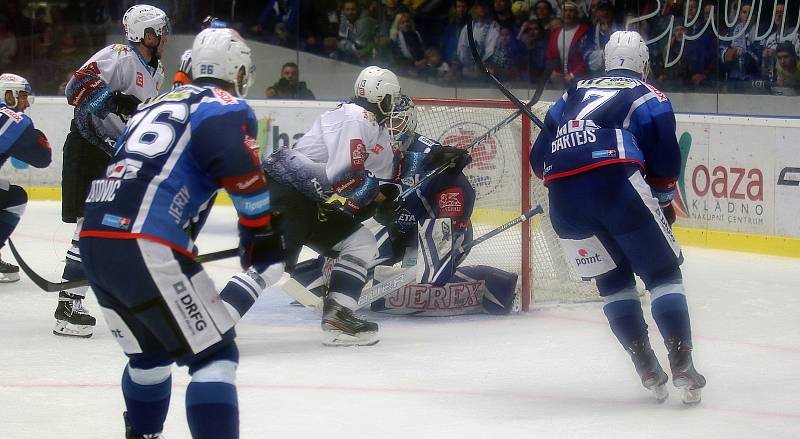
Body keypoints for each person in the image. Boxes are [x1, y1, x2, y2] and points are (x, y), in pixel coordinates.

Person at [79, 27, 283, 439]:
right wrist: (258, 231)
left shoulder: (156, 104)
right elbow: (234, 160)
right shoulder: (224, 104)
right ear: (238, 70)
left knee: (147, 354)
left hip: (96, 235)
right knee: (214, 353)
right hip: (146, 239)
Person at [530, 31, 707, 404]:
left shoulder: (571, 93)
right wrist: (660, 203)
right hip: (616, 187)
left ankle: (646, 366)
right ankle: (681, 365)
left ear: (606, 60)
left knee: (613, 284)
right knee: (662, 275)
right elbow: (664, 159)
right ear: (643, 63)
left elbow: (537, 161)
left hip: (563, 200)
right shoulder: (649, 95)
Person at [291, 95, 520, 316]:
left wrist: (451, 229)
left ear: (409, 121)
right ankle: (320, 274)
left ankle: (497, 284)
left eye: (397, 120)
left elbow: (462, 190)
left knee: (428, 287)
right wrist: (349, 212)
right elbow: (362, 192)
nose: (390, 127)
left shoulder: (430, 154)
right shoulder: (373, 149)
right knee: (345, 261)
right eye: (387, 120)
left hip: (436, 231)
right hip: (397, 232)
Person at [228, 66, 401, 346]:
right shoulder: (357, 118)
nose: (393, 105)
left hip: (309, 200)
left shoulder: (371, 126)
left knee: (360, 242)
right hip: (283, 190)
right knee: (271, 267)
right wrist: (378, 200)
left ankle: (339, 316)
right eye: (392, 98)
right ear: (382, 98)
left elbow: (390, 168)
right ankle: (212, 326)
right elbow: (345, 175)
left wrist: (433, 159)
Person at [56, 4, 169, 338]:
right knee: (88, 224)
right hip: (89, 148)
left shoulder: (156, 69)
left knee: (119, 227)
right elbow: (74, 91)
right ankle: (68, 304)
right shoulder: (118, 55)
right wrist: (113, 98)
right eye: (159, 30)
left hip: (118, 155)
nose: (164, 37)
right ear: (146, 33)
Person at [0, 73, 51, 282]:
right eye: (22, 96)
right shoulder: (16, 120)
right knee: (16, 198)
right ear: (8, 95)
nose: (26, 103)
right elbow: (42, 158)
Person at [173, 16, 228, 89]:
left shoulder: (230, 56)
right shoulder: (191, 55)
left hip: (222, 97)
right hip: (196, 98)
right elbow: (179, 84)